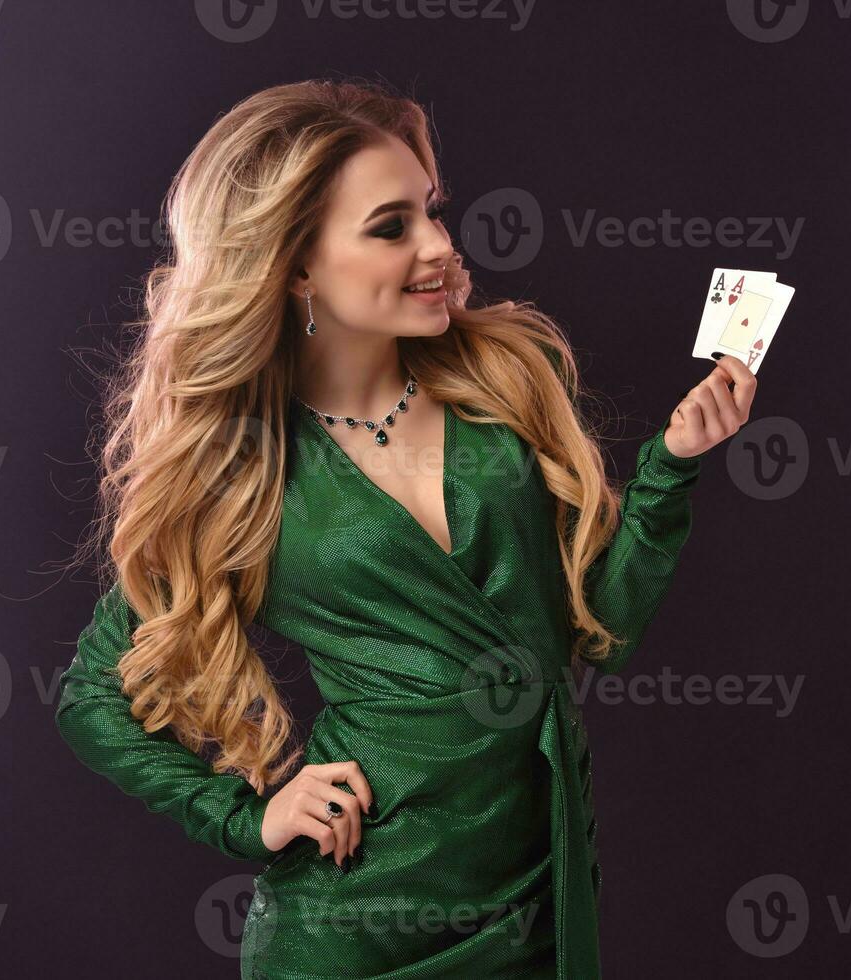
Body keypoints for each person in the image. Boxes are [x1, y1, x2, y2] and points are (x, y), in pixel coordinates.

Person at [53, 76, 757, 979]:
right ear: (295, 262)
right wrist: (243, 816)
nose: (438, 245)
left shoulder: (503, 380)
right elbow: (92, 698)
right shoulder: (242, 469)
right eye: (391, 226)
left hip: (531, 903)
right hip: (353, 930)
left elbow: (600, 635)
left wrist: (672, 465)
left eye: (431, 210)